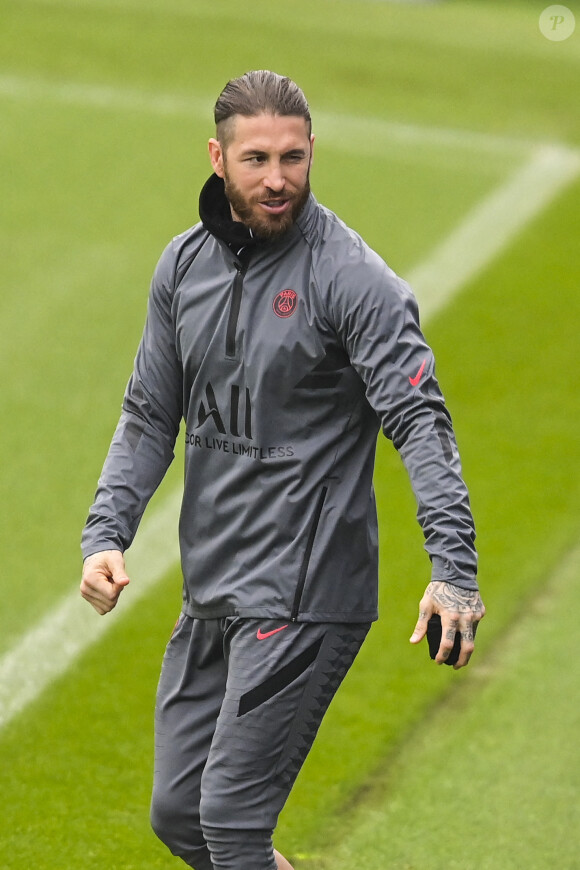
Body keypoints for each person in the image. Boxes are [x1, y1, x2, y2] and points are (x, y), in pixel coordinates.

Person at [80, 70, 485, 870]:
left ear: (312, 154)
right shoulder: (183, 266)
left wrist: (455, 570)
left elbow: (419, 419)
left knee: (230, 822)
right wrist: (106, 530)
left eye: (294, 158)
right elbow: (150, 413)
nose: (277, 179)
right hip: (214, 585)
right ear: (217, 157)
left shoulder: (353, 280)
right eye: (257, 158)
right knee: (179, 817)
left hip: (305, 589)